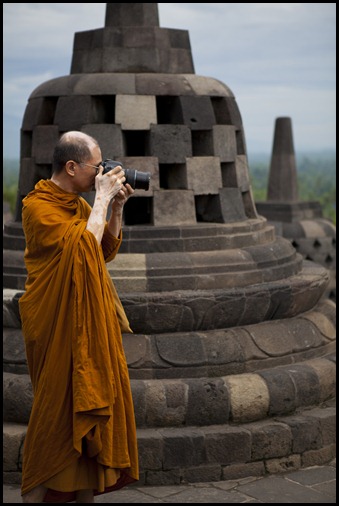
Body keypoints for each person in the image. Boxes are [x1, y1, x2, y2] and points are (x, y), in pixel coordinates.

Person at [19, 131, 139, 503]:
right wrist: (101, 197)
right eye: (96, 166)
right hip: (56, 326)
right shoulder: (38, 207)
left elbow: (101, 252)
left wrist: (114, 207)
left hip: (86, 324)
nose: (102, 172)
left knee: (87, 428)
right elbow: (82, 247)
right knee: (54, 419)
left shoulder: (77, 205)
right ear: (71, 167)